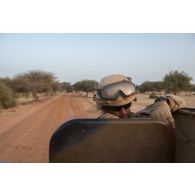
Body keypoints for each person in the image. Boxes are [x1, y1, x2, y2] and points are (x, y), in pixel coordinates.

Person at [95, 74, 185, 128]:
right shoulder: (92, 128)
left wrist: (164, 102)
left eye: (126, 106)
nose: (123, 112)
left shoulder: (137, 118)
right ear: (104, 108)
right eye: (116, 109)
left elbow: (181, 102)